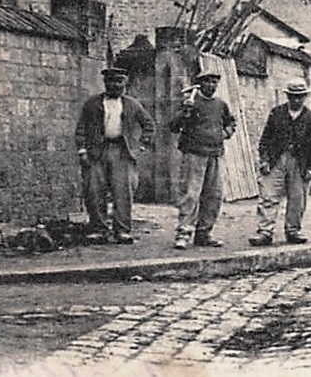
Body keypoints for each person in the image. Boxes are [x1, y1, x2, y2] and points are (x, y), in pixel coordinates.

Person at [73, 66, 156, 244]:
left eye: (119, 81)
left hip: (122, 152)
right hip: (97, 151)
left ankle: (122, 230)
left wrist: (141, 146)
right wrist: (82, 150)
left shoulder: (132, 104)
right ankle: (98, 228)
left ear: (125, 83)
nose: (115, 85)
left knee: (123, 191)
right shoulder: (92, 104)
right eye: (111, 81)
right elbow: (81, 127)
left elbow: (148, 124)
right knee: (94, 190)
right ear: (105, 83)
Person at [249, 79, 311, 246]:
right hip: (277, 159)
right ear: (288, 96)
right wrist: (265, 160)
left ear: (304, 97)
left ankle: (293, 230)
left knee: (298, 198)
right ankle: (265, 231)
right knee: (268, 195)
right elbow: (265, 140)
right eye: (293, 97)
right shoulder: (277, 113)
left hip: (300, 162)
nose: (296, 100)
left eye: (299, 97)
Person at [170, 70, 237, 250]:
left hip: (214, 154)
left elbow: (231, 123)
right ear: (200, 84)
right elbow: (174, 127)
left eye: (215, 82)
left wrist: (224, 133)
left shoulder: (220, 104)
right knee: (190, 194)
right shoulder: (190, 102)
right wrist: (185, 112)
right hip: (193, 153)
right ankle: (183, 233)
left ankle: (204, 233)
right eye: (208, 82)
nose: (212, 86)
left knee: (213, 195)